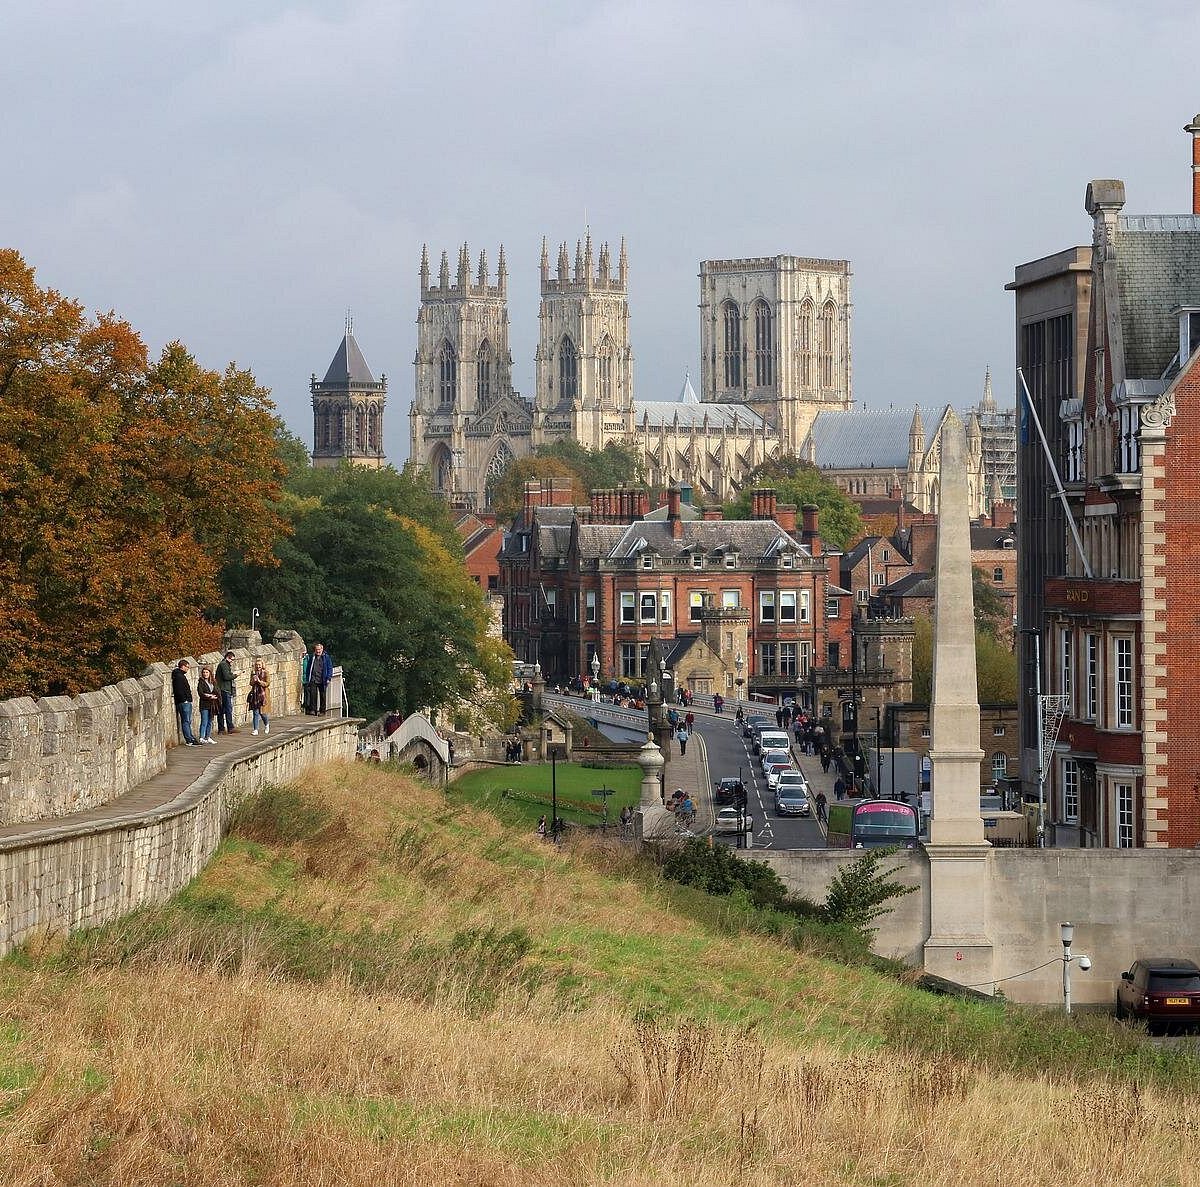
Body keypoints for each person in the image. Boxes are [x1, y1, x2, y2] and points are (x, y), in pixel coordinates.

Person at [171, 659, 198, 746]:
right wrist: (185, 699)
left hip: (185, 701)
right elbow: (179, 690)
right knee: (186, 721)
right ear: (182, 666)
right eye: (187, 667)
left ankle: (191, 737)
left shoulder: (180, 675)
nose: (188, 669)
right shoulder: (179, 676)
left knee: (188, 721)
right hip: (183, 702)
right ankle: (189, 739)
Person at [306, 642, 334, 715]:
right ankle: (313, 710)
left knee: (322, 696)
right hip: (313, 678)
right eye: (316, 650)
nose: (318, 651)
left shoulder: (326, 657)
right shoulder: (312, 657)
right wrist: (307, 677)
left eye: (319, 650)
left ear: (322, 649)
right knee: (313, 695)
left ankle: (322, 711)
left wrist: (328, 678)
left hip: (322, 679)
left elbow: (329, 668)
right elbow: (308, 668)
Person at [215, 651, 238, 734]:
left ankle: (222, 729)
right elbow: (226, 677)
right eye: (232, 659)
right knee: (227, 709)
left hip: (224, 689)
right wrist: (236, 675)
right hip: (224, 690)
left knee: (222, 709)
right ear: (228, 657)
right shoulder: (224, 664)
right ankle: (230, 727)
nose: (232, 661)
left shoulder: (224, 664)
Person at [197, 665, 220, 745]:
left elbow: (217, 691)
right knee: (204, 721)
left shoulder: (213, 682)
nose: (205, 674)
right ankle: (201, 737)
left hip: (212, 704)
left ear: (210, 673)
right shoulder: (201, 682)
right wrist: (209, 696)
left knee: (210, 721)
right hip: (204, 704)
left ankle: (208, 737)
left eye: (207, 672)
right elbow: (201, 693)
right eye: (204, 672)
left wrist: (215, 696)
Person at [249, 658, 270, 736]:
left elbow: (267, 683)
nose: (258, 666)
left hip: (263, 695)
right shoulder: (253, 673)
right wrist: (253, 681)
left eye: (259, 665)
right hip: (255, 694)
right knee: (255, 712)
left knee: (262, 713)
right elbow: (250, 683)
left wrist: (259, 682)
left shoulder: (266, 673)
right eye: (256, 665)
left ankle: (267, 724)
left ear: (262, 665)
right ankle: (255, 729)